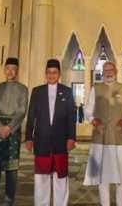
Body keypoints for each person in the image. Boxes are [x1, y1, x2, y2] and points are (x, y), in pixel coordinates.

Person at [83, 61, 122, 206]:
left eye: (111, 69)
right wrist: (93, 120)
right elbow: (87, 111)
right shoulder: (95, 89)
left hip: (119, 139)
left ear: (115, 71)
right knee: (103, 177)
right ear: (102, 72)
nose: (108, 72)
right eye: (105, 69)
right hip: (101, 138)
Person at [25, 59, 76, 206]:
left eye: (54, 73)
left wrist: (72, 137)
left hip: (61, 141)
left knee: (60, 177)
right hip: (41, 141)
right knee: (41, 178)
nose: (51, 75)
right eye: (49, 72)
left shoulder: (66, 91)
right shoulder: (37, 91)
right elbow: (31, 116)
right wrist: (29, 138)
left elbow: (71, 117)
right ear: (45, 74)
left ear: (59, 74)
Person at [0, 57, 28, 206]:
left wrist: (9, 128)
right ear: (4, 70)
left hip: (12, 132)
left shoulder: (23, 89)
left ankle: (9, 202)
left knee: (11, 172)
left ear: (17, 71)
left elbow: (22, 111)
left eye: (13, 69)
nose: (10, 71)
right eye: (8, 68)